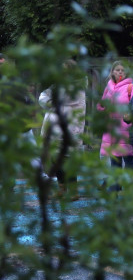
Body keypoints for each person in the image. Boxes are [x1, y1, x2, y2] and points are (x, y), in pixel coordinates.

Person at [39, 59, 86, 194]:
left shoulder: (78, 87)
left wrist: (51, 100)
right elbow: (43, 96)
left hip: (69, 128)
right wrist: (48, 101)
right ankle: (62, 188)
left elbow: (65, 99)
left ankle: (73, 190)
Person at [98, 61, 133, 188]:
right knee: (114, 159)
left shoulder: (132, 88)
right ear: (112, 72)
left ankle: (132, 187)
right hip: (111, 128)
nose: (120, 72)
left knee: (129, 159)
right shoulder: (108, 87)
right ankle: (115, 188)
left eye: (123, 70)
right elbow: (101, 106)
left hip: (125, 128)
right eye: (117, 70)